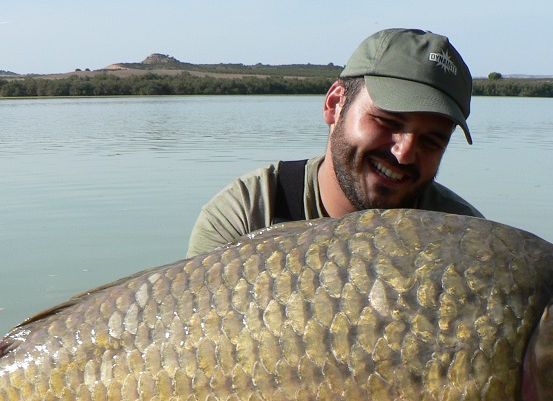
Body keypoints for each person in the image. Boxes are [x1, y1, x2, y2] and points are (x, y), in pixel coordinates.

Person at [186, 28, 483, 258]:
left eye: (432, 140)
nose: (404, 153)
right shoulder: (245, 215)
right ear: (334, 104)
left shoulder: (466, 239)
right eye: (387, 122)